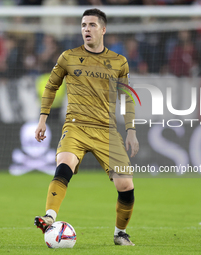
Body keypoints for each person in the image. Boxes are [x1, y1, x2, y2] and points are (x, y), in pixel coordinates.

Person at [34, 8, 139, 246]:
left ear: (103, 29)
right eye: (83, 25)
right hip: (76, 126)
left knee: (126, 185)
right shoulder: (68, 57)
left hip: (106, 130)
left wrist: (131, 130)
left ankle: (120, 233)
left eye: (91, 25)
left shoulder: (119, 61)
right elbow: (51, 87)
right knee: (65, 164)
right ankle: (50, 217)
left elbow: (127, 98)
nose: (86, 29)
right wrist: (42, 119)